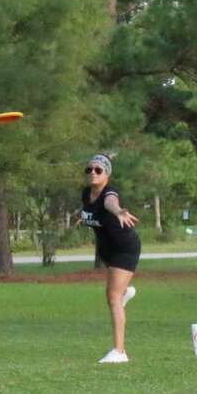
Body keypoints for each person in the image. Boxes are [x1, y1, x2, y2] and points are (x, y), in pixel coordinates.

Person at [80, 154, 141, 363]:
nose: (93, 173)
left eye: (98, 170)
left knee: (113, 298)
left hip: (125, 249)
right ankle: (123, 294)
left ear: (107, 174)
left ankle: (119, 352)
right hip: (107, 251)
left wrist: (118, 211)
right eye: (89, 169)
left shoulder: (110, 193)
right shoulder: (86, 194)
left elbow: (110, 203)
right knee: (114, 296)